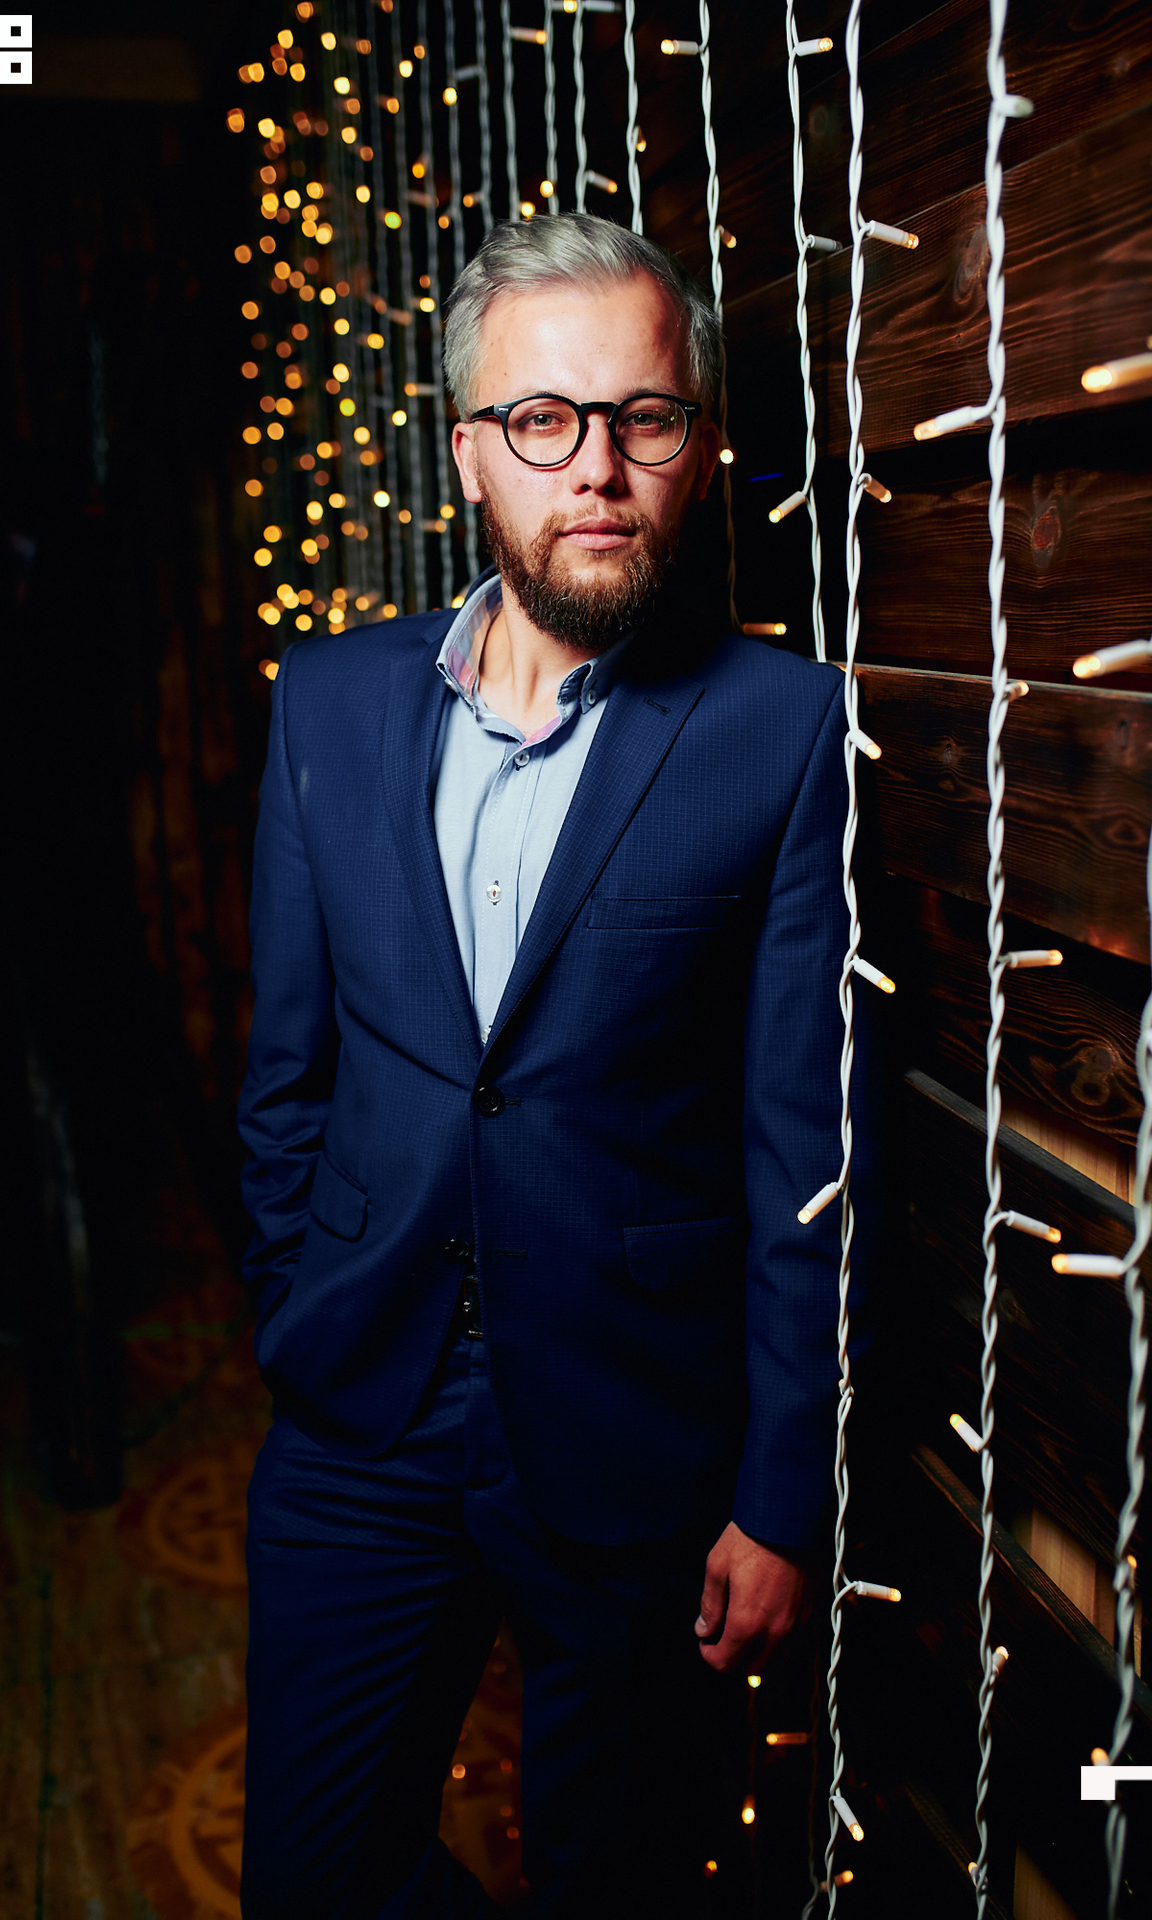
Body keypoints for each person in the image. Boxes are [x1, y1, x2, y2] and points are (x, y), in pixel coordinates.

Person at [237, 212, 852, 1918]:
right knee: (312, 1881)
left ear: (698, 448)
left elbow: (803, 1149)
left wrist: (779, 1493)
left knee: (618, 1882)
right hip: (362, 1407)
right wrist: (292, 1299)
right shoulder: (327, 703)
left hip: (635, 1432)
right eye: (541, 419)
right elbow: (286, 1071)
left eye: (643, 417)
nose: (595, 466)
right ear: (469, 454)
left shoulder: (781, 730)